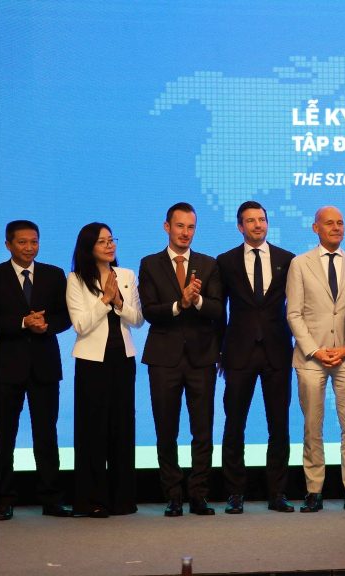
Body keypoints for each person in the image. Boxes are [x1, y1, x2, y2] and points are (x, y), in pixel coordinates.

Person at [139, 202, 224, 516]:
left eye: (191, 227)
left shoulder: (208, 264)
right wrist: (179, 303)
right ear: (167, 227)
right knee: (166, 430)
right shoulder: (150, 264)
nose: (185, 233)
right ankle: (173, 495)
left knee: (203, 431)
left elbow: (217, 309)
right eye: (180, 226)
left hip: (201, 358)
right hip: (164, 359)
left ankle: (199, 494)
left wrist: (197, 300)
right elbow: (150, 311)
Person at [216, 201, 296, 514]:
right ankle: (235, 492)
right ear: (240, 226)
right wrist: (220, 350)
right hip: (238, 352)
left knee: (279, 424)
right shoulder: (225, 261)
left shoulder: (287, 259)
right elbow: (219, 310)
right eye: (250, 221)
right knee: (234, 424)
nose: (258, 225)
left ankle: (277, 492)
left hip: (277, 351)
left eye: (262, 219)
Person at [286, 206, 345, 513]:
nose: (336, 228)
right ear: (315, 228)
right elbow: (293, 313)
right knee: (312, 427)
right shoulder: (299, 263)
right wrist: (315, 350)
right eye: (329, 223)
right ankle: (314, 490)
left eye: (340, 223)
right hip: (311, 357)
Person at [0, 220, 73, 521]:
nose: (29, 248)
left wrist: (46, 325)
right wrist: (22, 323)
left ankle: (51, 499)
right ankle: (3, 499)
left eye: (34, 242)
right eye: (23, 242)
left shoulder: (54, 275)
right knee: (5, 436)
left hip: (45, 366)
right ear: (8, 245)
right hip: (7, 368)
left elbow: (66, 316)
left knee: (47, 434)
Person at [66, 223, 144, 517]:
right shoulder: (75, 279)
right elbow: (80, 325)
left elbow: (138, 320)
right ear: (89, 247)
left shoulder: (126, 275)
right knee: (92, 429)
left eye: (112, 240)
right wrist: (105, 300)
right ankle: (93, 500)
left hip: (123, 360)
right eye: (102, 242)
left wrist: (120, 302)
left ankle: (122, 499)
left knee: (122, 428)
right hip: (91, 363)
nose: (110, 245)